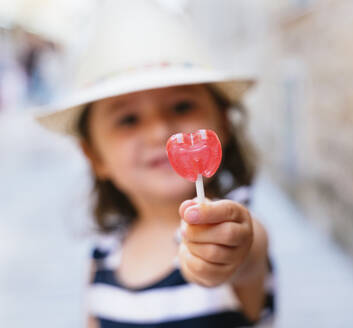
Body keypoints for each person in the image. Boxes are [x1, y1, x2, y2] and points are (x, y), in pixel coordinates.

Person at [35, 1, 274, 327]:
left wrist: (224, 254)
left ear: (224, 125)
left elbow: (246, 252)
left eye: (181, 106)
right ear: (96, 157)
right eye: (129, 119)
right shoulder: (105, 253)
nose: (160, 131)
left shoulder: (235, 229)